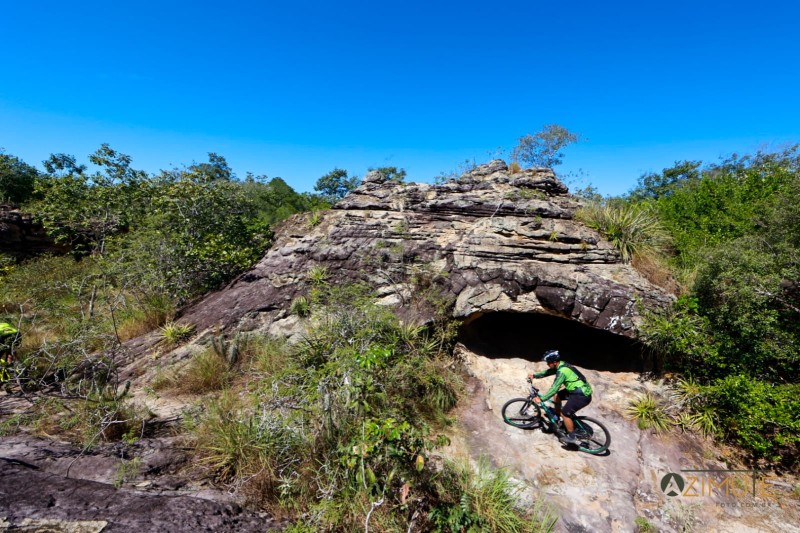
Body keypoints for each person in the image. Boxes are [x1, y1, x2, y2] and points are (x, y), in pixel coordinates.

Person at [528, 349, 593, 446]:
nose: (547, 364)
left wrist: (541, 399)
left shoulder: (562, 371)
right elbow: (549, 372)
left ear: (554, 362)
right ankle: (557, 416)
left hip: (581, 395)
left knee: (565, 414)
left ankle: (572, 436)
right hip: (577, 390)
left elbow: (554, 388)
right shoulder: (561, 364)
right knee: (557, 395)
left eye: (548, 363)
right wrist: (535, 375)